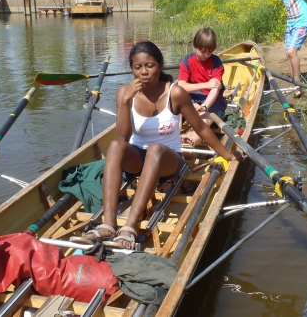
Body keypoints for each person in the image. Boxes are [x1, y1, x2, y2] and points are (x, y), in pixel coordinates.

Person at [73, 41, 243, 249]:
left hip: (168, 161)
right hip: (137, 160)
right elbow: (124, 136)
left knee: (155, 148)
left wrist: (228, 155)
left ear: (160, 65)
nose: (144, 72)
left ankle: (130, 227)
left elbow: (201, 128)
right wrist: (126, 102)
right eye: (138, 67)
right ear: (132, 69)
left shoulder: (175, 92)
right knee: (116, 146)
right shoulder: (124, 93)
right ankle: (108, 224)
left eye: (150, 65)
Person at [177, 28, 226, 146]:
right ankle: (175, 134)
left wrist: (204, 106)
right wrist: (206, 85)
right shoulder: (187, 60)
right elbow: (181, 85)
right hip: (192, 98)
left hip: (213, 100)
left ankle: (192, 140)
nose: (206, 55)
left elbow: (215, 88)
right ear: (196, 46)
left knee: (205, 118)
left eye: (210, 51)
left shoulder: (216, 62)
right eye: (203, 51)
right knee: (176, 108)